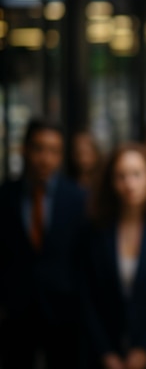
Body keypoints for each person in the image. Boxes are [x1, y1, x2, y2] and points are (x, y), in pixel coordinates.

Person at [81, 142, 146, 369]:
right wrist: (106, 353)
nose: (130, 184)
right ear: (111, 181)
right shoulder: (96, 230)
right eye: (121, 176)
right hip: (104, 354)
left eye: (137, 174)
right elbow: (86, 295)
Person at [0, 118, 88, 369]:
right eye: (38, 148)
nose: (45, 158)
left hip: (65, 316)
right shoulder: (6, 196)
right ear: (24, 149)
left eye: (53, 151)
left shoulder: (77, 199)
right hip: (16, 316)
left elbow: (84, 259)